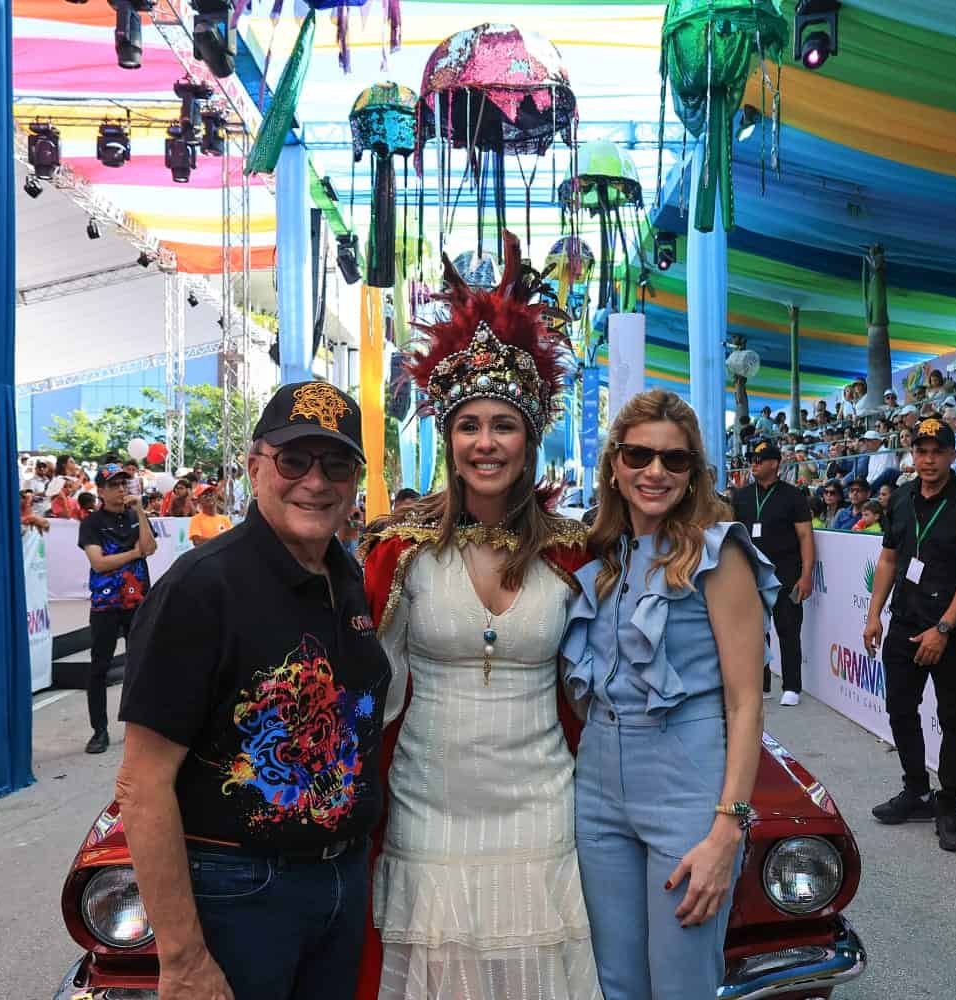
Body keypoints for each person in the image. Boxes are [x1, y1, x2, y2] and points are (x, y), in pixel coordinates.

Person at [355, 234, 600, 1000]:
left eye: (504, 425)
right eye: (469, 425)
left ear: (530, 440)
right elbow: (370, 686)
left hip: (542, 804)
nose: (485, 442)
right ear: (448, 436)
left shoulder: (577, 554)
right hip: (426, 803)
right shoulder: (401, 551)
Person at [116, 381, 389, 1000]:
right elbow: (141, 784)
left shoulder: (347, 574)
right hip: (239, 889)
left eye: (336, 463)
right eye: (294, 460)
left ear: (356, 478)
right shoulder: (203, 588)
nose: (315, 482)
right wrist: (182, 959)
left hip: (342, 882)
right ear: (255, 466)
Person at [564, 389, 776, 1000]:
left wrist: (727, 829)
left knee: (682, 983)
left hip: (687, 782)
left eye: (674, 460)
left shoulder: (719, 553)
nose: (654, 471)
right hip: (599, 782)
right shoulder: (606, 551)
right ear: (614, 464)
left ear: (693, 473)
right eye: (639, 456)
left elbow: (745, 702)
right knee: (616, 983)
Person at [864, 419, 956, 852]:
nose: (929, 459)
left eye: (937, 451)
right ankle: (916, 791)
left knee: (954, 719)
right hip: (904, 623)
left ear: (952, 454)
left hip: (953, 630)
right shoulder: (899, 497)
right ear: (912, 455)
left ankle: (947, 805)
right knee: (900, 709)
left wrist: (944, 628)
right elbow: (889, 561)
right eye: (921, 450)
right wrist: (874, 615)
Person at [78, 462, 157, 755]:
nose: (121, 490)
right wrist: (134, 553)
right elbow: (99, 563)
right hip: (106, 604)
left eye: (124, 484)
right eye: (113, 485)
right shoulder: (92, 524)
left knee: (140, 666)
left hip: (138, 602)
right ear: (100, 490)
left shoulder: (134, 516)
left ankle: (138, 727)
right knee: (99, 667)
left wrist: (141, 512)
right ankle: (99, 730)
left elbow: (149, 548)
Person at [729, 438, 814, 705]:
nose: (753, 465)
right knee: (754, 632)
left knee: (789, 629)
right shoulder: (741, 496)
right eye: (751, 460)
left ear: (774, 464)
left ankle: (792, 686)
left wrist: (806, 574)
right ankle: (761, 683)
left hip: (786, 574)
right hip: (750, 574)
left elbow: (805, 537)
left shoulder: (793, 496)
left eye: (759, 460)